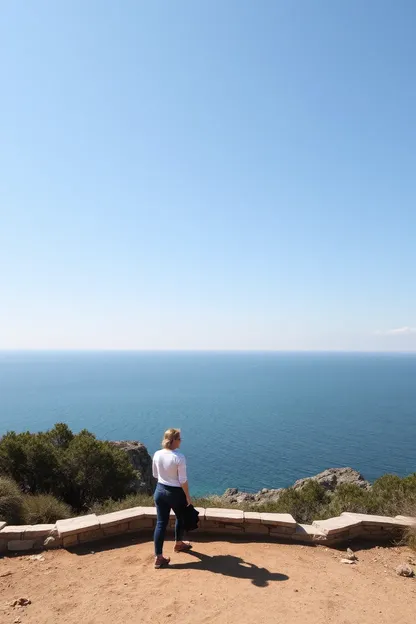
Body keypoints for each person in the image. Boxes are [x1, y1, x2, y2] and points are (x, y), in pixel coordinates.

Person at [152, 428, 192, 568]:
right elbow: (183, 480)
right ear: (173, 440)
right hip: (175, 493)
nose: (181, 441)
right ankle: (178, 543)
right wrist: (188, 496)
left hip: (160, 490)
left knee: (161, 523)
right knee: (180, 518)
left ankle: (158, 557)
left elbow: (155, 475)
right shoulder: (179, 457)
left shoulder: (157, 454)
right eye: (179, 438)